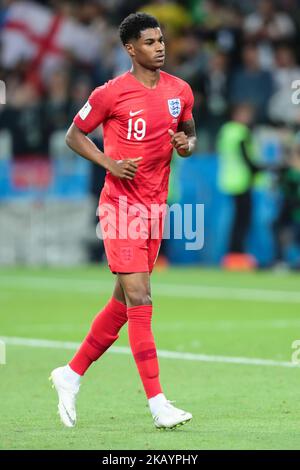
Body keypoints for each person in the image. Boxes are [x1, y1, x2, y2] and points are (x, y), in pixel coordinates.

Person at [49, 12, 196, 430]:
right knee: (141, 298)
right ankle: (158, 403)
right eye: (150, 42)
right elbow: (74, 135)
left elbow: (189, 135)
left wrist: (186, 144)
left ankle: (70, 375)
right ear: (130, 49)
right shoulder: (111, 93)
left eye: (162, 40)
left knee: (121, 304)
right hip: (121, 208)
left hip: (155, 209)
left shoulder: (180, 91)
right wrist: (109, 163)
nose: (160, 47)